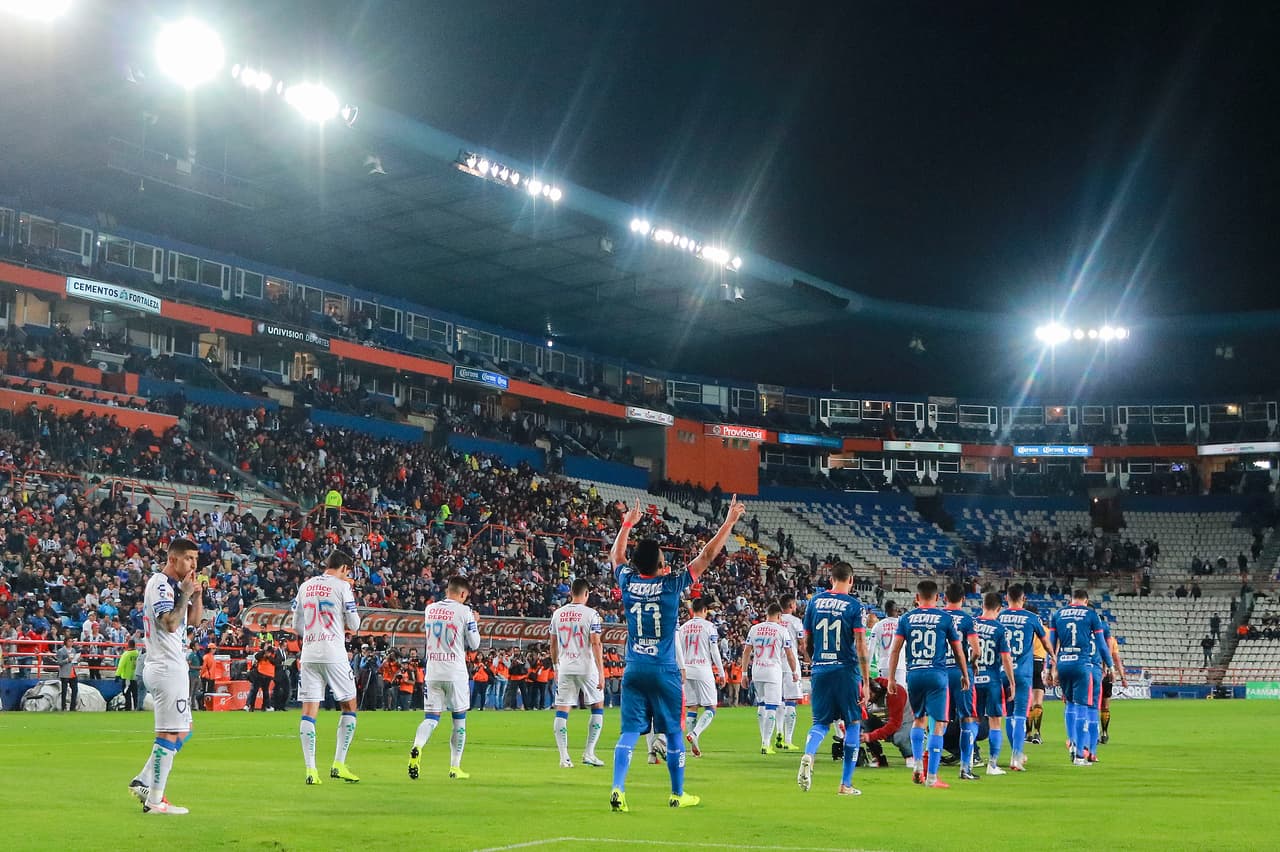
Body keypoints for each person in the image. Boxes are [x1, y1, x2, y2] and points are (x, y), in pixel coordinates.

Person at [608, 496, 744, 813]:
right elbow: (707, 555)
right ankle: (677, 793)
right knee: (672, 732)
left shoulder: (627, 581)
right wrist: (729, 522)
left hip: (633, 669)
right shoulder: (671, 585)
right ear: (659, 564)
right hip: (665, 669)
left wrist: (627, 524)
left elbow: (616, 555)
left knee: (629, 732)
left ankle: (617, 788)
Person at [127, 538, 202, 815]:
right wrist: (184, 594)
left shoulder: (174, 586)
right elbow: (170, 624)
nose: (194, 564)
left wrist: (196, 595)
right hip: (165, 666)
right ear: (173, 559)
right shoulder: (160, 583)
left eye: (195, 559)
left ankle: (144, 781)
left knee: (183, 730)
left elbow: (192, 622)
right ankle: (155, 801)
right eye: (189, 559)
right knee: (169, 733)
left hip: (172, 666)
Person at [796, 561, 869, 796]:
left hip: (820, 669)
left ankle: (809, 753)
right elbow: (860, 645)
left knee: (820, 722)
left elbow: (806, 642)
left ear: (831, 579)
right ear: (851, 580)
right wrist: (866, 682)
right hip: (846, 671)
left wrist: (815, 660)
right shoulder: (855, 606)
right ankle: (845, 784)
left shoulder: (814, 602)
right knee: (853, 724)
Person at [887, 579, 968, 789]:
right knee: (939, 724)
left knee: (918, 720)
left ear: (916, 598)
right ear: (938, 598)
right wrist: (965, 674)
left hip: (914, 675)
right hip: (936, 674)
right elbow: (958, 650)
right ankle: (931, 777)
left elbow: (895, 649)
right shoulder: (944, 618)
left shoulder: (906, 618)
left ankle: (916, 767)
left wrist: (891, 678)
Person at [291, 549, 362, 785]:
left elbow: (296, 624)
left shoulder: (305, 586)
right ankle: (339, 763)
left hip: (309, 653)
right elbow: (354, 623)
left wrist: (313, 633)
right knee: (349, 705)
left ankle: (311, 769)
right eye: (347, 572)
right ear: (343, 568)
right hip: (334, 653)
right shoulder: (343, 587)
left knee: (309, 710)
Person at [408, 576, 480, 780]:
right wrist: (474, 622)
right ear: (463, 594)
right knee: (459, 720)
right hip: (455, 672)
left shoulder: (430, 609)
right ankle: (455, 767)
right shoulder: (465, 611)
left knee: (431, 718)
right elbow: (474, 644)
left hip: (433, 670)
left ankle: (417, 746)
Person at [1047, 590, 1111, 765]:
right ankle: (1087, 752)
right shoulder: (1094, 618)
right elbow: (1104, 647)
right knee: (1089, 709)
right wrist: (1110, 666)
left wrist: (1049, 668)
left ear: (1071, 599)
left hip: (1064, 663)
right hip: (1089, 667)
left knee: (1070, 705)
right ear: (1087, 600)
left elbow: (1051, 644)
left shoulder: (1059, 614)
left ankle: (1073, 743)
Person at [549, 578, 606, 768]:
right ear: (587, 593)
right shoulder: (592, 614)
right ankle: (589, 752)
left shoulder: (558, 613)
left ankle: (564, 757)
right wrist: (601, 671)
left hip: (565, 667)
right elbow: (596, 643)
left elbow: (553, 644)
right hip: (586, 667)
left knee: (562, 710)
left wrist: (556, 667)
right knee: (597, 705)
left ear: (570, 593)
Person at [997, 584, 1049, 771]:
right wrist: (1055, 660)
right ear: (1023, 598)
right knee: (1020, 716)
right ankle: (1016, 758)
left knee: (1008, 715)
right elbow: (1045, 642)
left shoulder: (1000, 616)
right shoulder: (1032, 618)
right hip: (1022, 673)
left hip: (1002, 671)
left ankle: (1014, 753)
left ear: (1006, 598)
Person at [742, 604, 799, 756]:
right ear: (779, 616)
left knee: (761, 704)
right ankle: (766, 744)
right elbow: (790, 654)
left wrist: (744, 673)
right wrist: (794, 671)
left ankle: (763, 739)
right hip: (773, 671)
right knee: (772, 707)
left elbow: (746, 651)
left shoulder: (755, 629)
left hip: (757, 670)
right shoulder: (782, 630)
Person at [973, 593, 1016, 775]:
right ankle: (992, 764)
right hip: (992, 680)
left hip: (974, 679)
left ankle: (969, 759)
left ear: (983, 605)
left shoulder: (972, 625)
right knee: (995, 721)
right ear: (999, 609)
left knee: (972, 721)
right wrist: (1012, 683)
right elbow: (1006, 659)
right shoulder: (1000, 629)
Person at [942, 583, 981, 780]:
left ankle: (926, 765)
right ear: (963, 599)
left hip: (940, 672)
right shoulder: (967, 619)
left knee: (937, 720)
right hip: (960, 672)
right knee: (968, 718)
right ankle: (966, 767)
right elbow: (976, 650)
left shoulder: (938, 616)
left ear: (944, 598)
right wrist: (972, 663)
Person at [679, 596, 725, 757]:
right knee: (711, 707)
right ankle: (695, 734)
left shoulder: (683, 627)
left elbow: (678, 652)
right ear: (704, 610)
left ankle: (694, 744)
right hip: (702, 668)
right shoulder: (709, 627)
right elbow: (714, 651)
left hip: (686, 669)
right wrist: (721, 671)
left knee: (692, 707)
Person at [776, 594, 808, 751]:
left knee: (778, 701)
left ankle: (779, 733)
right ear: (791, 605)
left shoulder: (774, 620)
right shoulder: (796, 622)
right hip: (790, 664)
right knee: (791, 701)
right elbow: (802, 645)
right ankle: (788, 739)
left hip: (774, 664)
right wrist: (807, 656)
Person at [1099, 624, 1128, 744]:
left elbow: (1116, 659)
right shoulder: (1111, 640)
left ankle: (1096, 733)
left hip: (1093, 673)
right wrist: (1122, 677)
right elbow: (1116, 660)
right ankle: (1104, 733)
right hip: (1106, 674)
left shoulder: (1088, 636)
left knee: (1093, 705)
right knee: (1105, 706)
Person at [868, 600, 904, 691]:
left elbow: (870, 649)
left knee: (885, 696)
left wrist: (866, 668)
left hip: (884, 665)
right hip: (900, 665)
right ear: (897, 609)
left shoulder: (878, 625)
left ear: (885, 611)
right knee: (900, 696)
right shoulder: (903, 624)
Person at [56, 635, 80, 711]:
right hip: (64, 673)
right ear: (65, 642)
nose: (71, 643)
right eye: (69, 641)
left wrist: (77, 660)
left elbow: (73, 661)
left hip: (72, 672)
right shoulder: (61, 651)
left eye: (72, 641)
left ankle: (72, 707)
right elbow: (59, 662)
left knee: (75, 690)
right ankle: (63, 707)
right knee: (64, 691)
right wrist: (67, 660)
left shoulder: (73, 650)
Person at [116, 639, 140, 711]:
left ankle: (128, 707)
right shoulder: (137, 653)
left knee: (127, 693)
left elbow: (121, 665)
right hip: (135, 677)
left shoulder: (126, 654)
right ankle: (136, 707)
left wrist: (117, 675)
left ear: (128, 645)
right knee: (135, 693)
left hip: (127, 677)